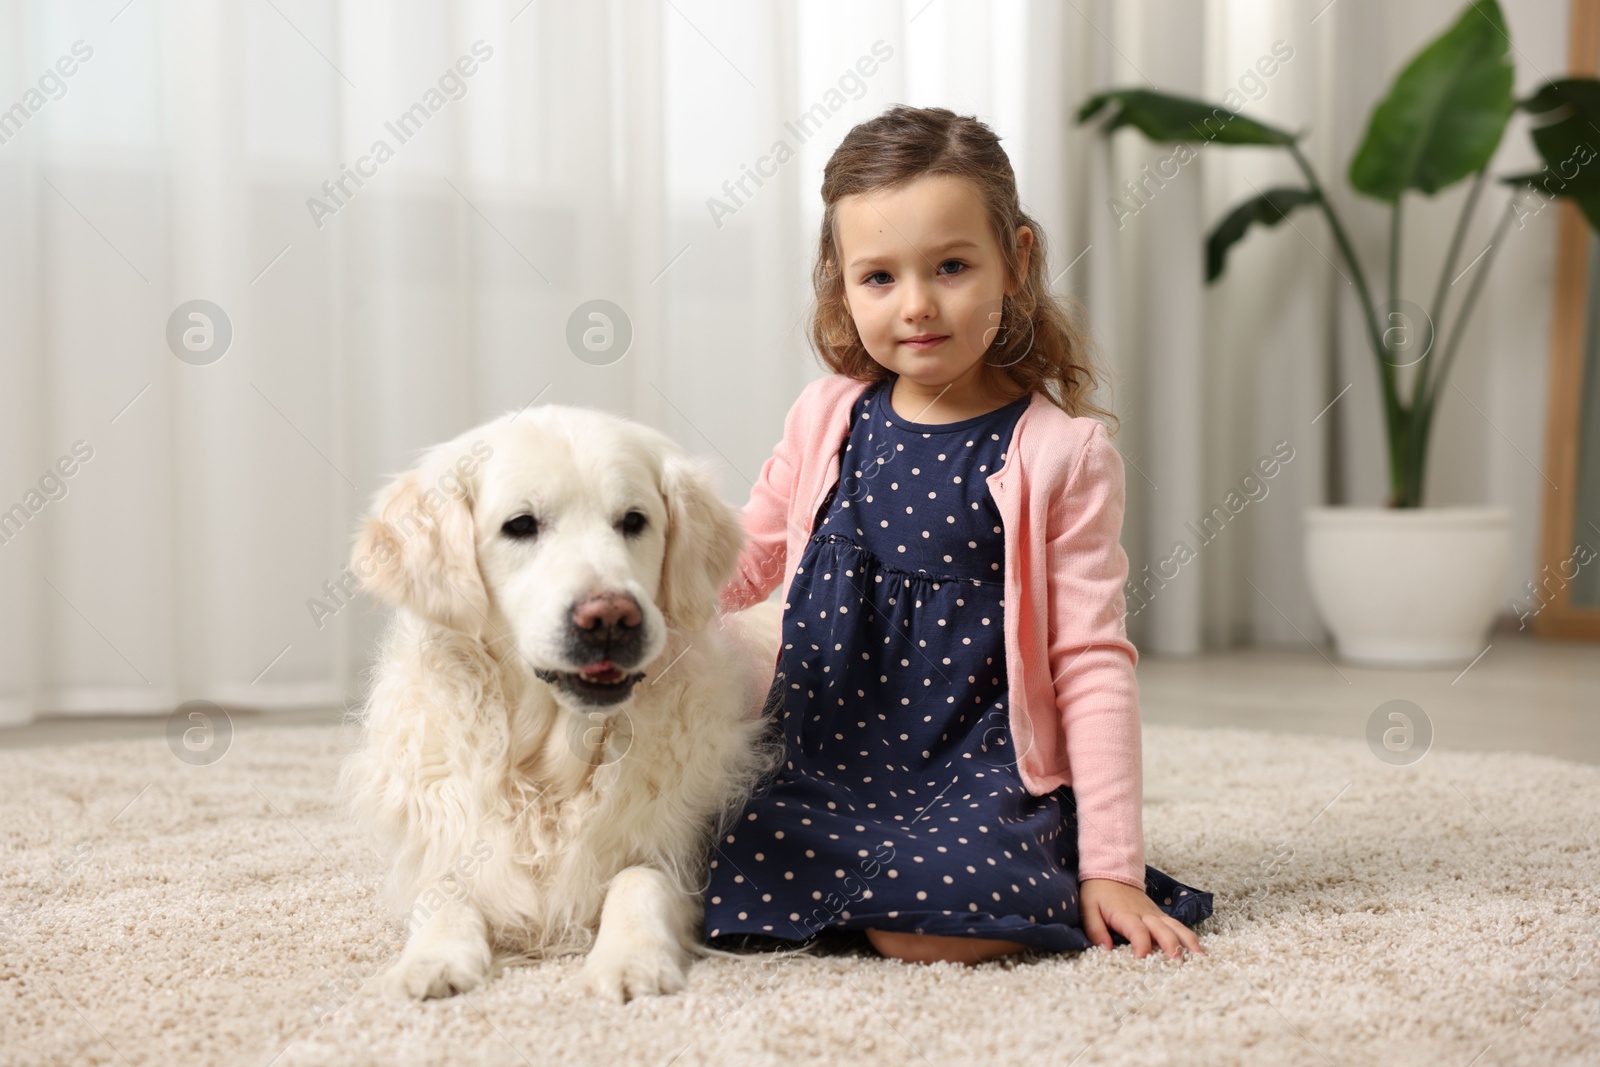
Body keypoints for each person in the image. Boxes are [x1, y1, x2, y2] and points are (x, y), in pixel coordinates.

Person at [706, 105, 1212, 965]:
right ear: (840, 283)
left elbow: (1090, 662)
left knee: (932, 925)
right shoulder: (827, 414)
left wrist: (1114, 866)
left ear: (1015, 261)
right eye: (878, 278)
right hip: (827, 760)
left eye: (950, 266)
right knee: (701, 868)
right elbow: (742, 560)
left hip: (977, 774)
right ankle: (855, 882)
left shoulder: (1061, 453)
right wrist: (635, 596)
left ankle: (911, 892)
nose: (917, 306)